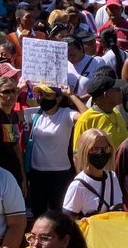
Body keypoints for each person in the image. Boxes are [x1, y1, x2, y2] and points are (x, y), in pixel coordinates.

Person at [23, 86, 86, 217]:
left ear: (58, 99)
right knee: (38, 213)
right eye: (41, 95)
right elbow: (7, 114)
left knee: (58, 214)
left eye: (47, 95)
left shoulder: (66, 114)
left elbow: (87, 117)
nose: (42, 98)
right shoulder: (35, 113)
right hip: (37, 173)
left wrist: (71, 95)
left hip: (60, 174)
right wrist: (17, 91)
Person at [62, 128, 123, 219]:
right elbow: (67, 221)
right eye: (95, 149)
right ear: (85, 151)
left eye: (106, 148)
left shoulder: (112, 177)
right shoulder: (78, 186)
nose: (101, 153)